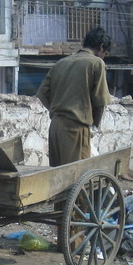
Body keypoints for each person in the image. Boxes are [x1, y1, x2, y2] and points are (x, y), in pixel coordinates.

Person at [36, 27, 113, 166]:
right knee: (76, 177)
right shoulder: (96, 63)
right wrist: (94, 124)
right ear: (101, 47)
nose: (103, 57)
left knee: (57, 176)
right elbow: (100, 101)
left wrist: (58, 109)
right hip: (76, 127)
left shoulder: (61, 63)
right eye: (105, 53)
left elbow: (42, 94)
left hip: (55, 126)